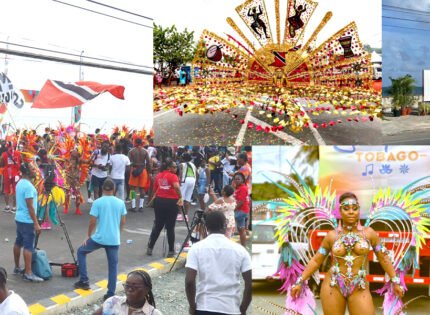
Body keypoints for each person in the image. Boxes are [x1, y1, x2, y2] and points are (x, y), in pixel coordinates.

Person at [290, 192, 404, 315]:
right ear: (340, 211)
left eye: (354, 209)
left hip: (359, 286)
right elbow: (316, 260)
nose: (351, 212)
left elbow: (384, 258)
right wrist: (300, 281)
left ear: (359, 211)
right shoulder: (332, 236)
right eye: (346, 208)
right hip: (333, 285)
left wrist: (395, 281)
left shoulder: (369, 233)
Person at [185, 211, 252, 315]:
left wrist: (192, 306)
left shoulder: (196, 249)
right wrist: (243, 308)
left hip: (204, 307)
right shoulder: (240, 250)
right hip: (231, 308)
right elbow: (250, 283)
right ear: (225, 226)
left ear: (206, 227)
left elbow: (189, 281)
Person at [74, 178, 127, 301]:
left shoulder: (97, 202)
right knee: (113, 266)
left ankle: (84, 280)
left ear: (103, 189)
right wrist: (118, 233)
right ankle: (110, 293)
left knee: (81, 251)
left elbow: (92, 221)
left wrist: (88, 235)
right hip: (114, 239)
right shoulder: (120, 203)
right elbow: (123, 221)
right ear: (114, 189)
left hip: (99, 237)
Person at [13, 163, 44, 282]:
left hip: (19, 218)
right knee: (28, 246)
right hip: (27, 220)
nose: (35, 171)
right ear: (27, 171)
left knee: (18, 242)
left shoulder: (20, 183)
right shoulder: (29, 187)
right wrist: (36, 223)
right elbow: (30, 207)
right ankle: (28, 272)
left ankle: (17, 267)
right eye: (32, 169)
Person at [147, 159, 183, 258]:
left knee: (158, 225)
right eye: (174, 167)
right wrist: (180, 197)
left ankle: (150, 248)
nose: (176, 169)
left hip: (159, 201)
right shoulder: (173, 176)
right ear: (169, 168)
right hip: (171, 203)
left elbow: (155, 189)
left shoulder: (159, 175)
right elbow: (176, 186)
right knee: (170, 227)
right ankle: (171, 250)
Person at [93, 270, 163, 315]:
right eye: (127, 285)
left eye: (135, 287)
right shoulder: (113, 302)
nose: (129, 289)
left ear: (147, 290)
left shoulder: (153, 313)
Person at [128, 138, 151, 212]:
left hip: (134, 170)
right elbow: (148, 163)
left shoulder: (131, 151)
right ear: (141, 143)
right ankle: (141, 207)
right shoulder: (145, 151)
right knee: (142, 189)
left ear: (135, 142)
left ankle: (133, 206)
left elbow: (129, 162)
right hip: (143, 170)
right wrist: (148, 172)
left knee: (132, 189)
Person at [1, 142, 21, 213]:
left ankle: (7, 206)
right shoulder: (18, 153)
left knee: (6, 190)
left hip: (7, 173)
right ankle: (14, 207)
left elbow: (2, 164)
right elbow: (20, 162)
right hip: (16, 174)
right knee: (15, 190)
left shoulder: (4, 154)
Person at [178, 153, 197, 222]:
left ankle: (180, 215)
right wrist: (196, 183)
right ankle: (186, 215)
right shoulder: (193, 165)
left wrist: (179, 180)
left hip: (185, 180)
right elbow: (196, 173)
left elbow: (181, 172)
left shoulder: (181, 164)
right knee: (187, 199)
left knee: (181, 197)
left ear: (183, 158)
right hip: (193, 180)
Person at [233, 172, 250, 247]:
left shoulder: (243, 188)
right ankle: (243, 246)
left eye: (238, 179)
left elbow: (241, 202)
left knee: (239, 228)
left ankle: (243, 245)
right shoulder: (239, 187)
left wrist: (233, 209)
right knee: (241, 229)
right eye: (235, 179)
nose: (236, 180)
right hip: (241, 210)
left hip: (241, 210)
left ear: (243, 180)